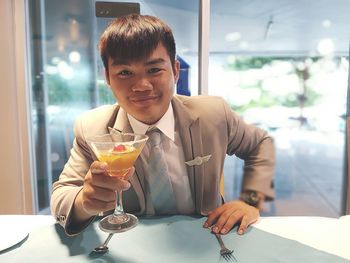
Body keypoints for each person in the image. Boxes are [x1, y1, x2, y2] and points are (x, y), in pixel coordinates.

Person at [51, 14, 275, 236]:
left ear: (175, 71)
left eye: (154, 69)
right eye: (125, 72)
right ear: (108, 78)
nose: (141, 86)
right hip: (127, 244)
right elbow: (61, 196)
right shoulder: (92, 128)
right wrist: (85, 202)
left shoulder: (213, 114)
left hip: (207, 238)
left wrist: (250, 201)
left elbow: (261, 144)